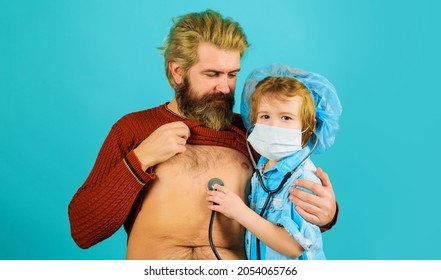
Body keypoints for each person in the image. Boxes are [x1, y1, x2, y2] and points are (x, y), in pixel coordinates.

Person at [68, 10, 338, 260]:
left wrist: (326, 215)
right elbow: (84, 231)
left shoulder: (254, 133)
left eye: (232, 74)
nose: (224, 87)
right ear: (178, 72)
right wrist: (140, 159)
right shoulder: (134, 129)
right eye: (212, 74)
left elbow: (285, 218)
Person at [206, 64, 342, 259]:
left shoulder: (304, 179)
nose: (273, 125)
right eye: (265, 116)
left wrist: (238, 211)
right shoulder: (263, 169)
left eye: (286, 117)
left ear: (307, 126)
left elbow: (292, 247)